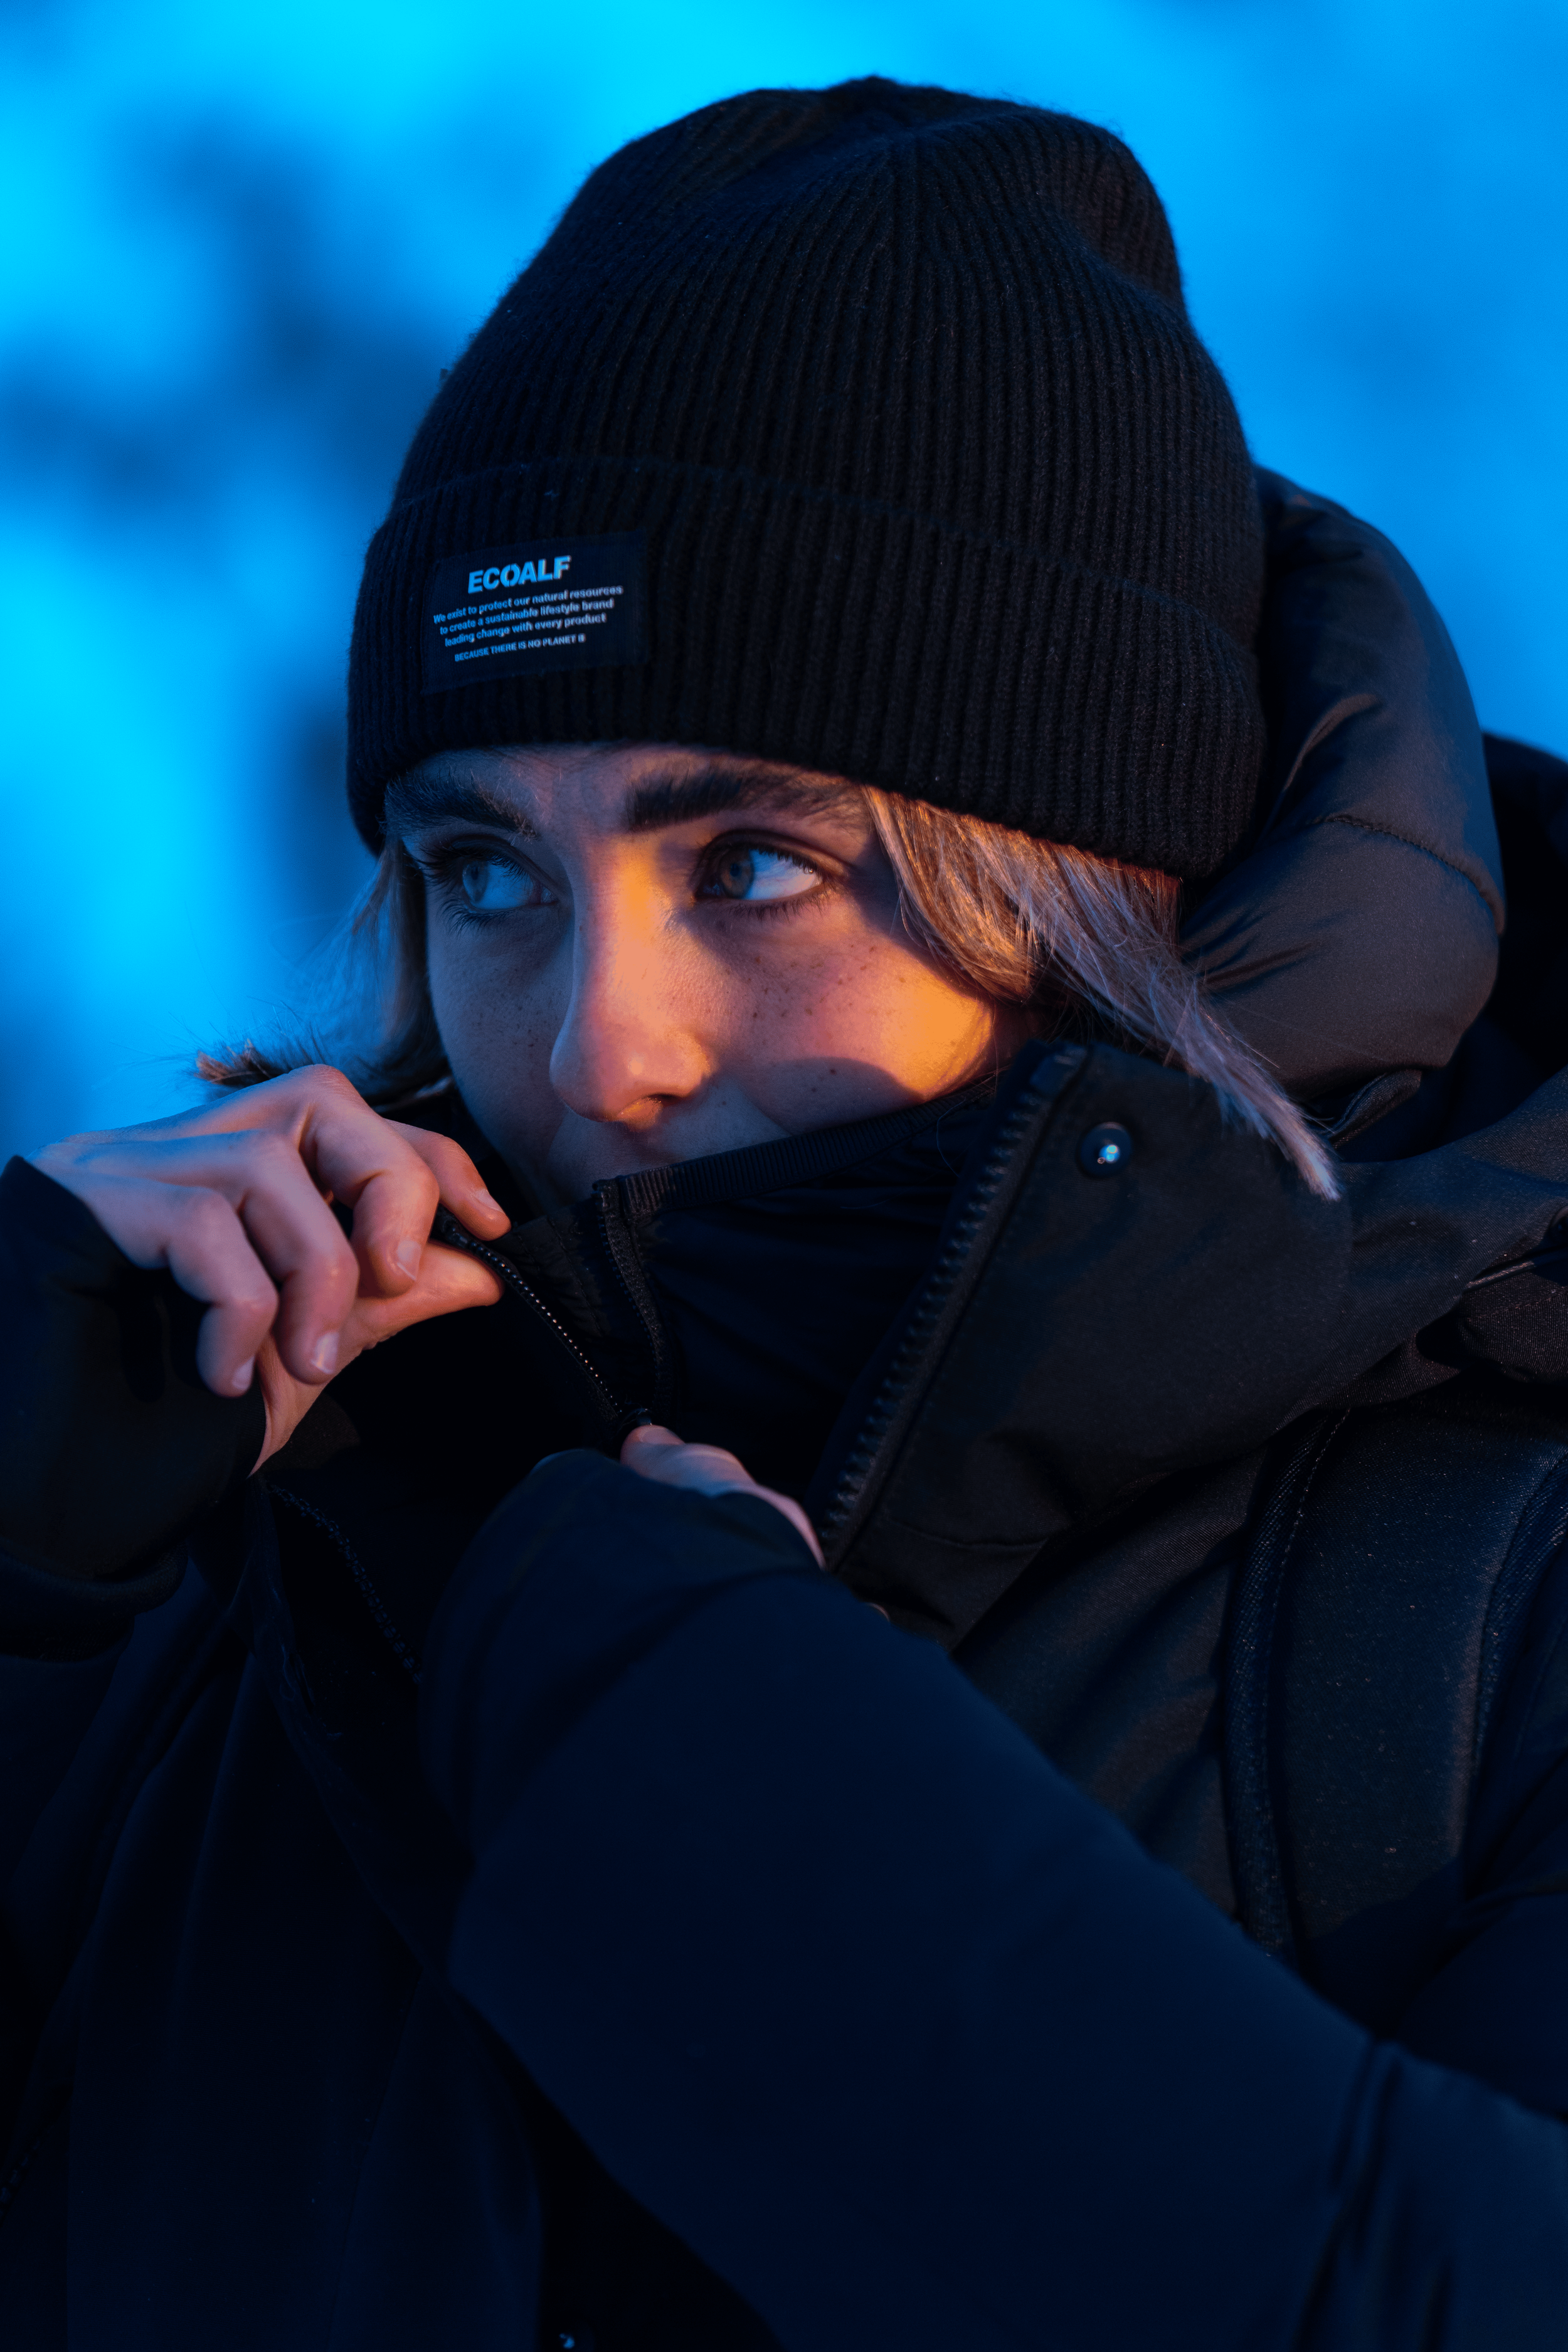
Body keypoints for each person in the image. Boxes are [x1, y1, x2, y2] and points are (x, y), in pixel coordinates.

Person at [5, 74, 1568, 2350]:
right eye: (484, 873)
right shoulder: (231, 1550)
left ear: (1087, 893)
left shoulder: (1500, 1601)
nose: (589, 1048)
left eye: (753, 863)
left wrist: (671, 1735)